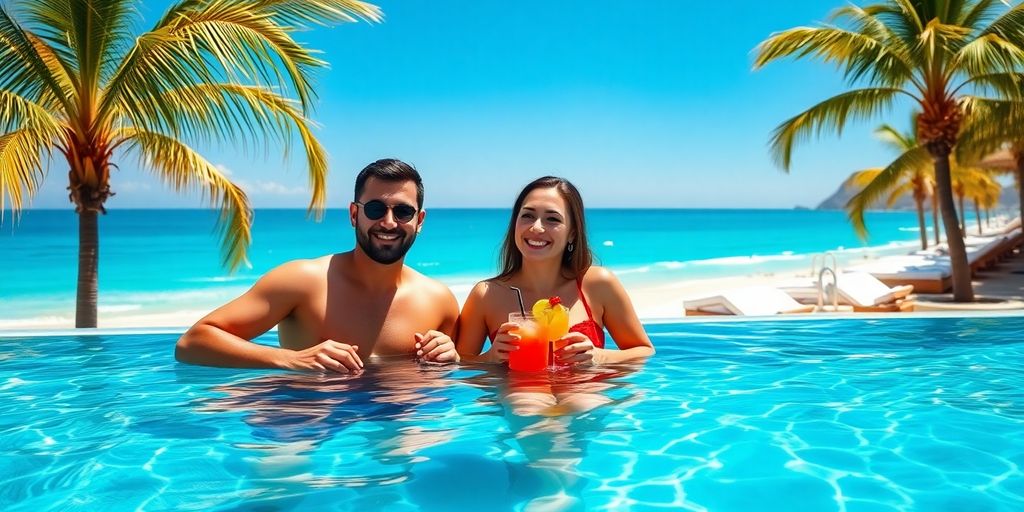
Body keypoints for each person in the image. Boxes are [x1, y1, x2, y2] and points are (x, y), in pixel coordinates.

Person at [176, 159, 460, 372]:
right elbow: (191, 344)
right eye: (375, 209)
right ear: (354, 214)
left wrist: (453, 357)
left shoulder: (439, 301)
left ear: (419, 221)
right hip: (310, 415)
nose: (388, 222)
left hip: (399, 418)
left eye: (403, 212)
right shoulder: (303, 281)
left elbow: (459, 375)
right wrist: (292, 359)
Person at [455, 176, 654, 365]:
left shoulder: (598, 284)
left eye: (552, 219)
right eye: (527, 215)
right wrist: (490, 358)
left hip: (587, 387)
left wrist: (600, 356)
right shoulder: (486, 295)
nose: (536, 227)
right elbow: (460, 364)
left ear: (572, 233)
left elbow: (644, 351)